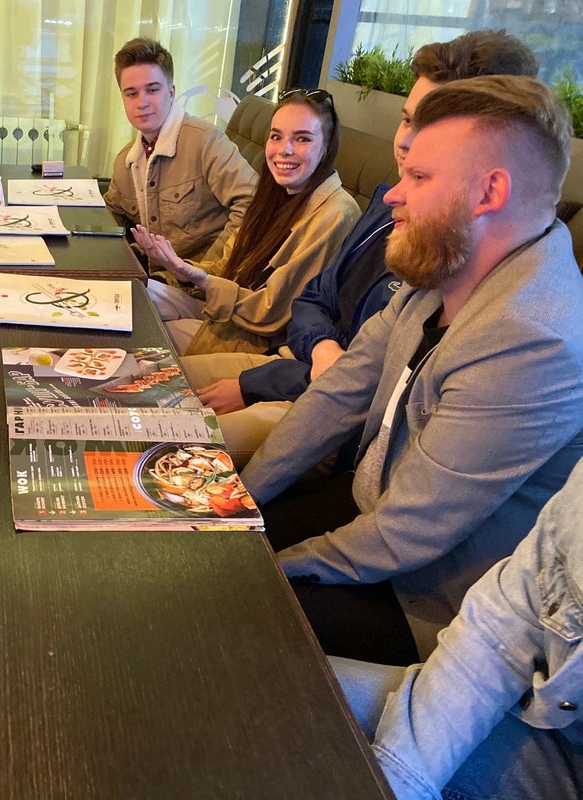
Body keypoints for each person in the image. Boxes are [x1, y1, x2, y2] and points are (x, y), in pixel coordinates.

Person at [240, 75, 583, 666]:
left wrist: (265, 571)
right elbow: (335, 398)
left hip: (434, 601)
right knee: (194, 544)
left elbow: (407, 534)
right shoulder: (446, 266)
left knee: (224, 605)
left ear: (488, 192)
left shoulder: (533, 340)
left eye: (419, 178)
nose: (393, 195)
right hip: (368, 509)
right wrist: (235, 504)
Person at [178, 30, 540, 467]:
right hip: (295, 366)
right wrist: (321, 347)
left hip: (318, 403)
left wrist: (258, 382)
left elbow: (369, 385)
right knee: (152, 381)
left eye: (431, 126)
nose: (406, 141)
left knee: (175, 436)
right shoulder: (384, 204)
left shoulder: (462, 255)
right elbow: (313, 301)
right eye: (407, 119)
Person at [331, 458, 583, 800]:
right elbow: (501, 626)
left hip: (428, 595)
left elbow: (409, 526)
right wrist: (397, 782)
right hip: (552, 728)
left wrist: (287, 564)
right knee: (282, 685)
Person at [134, 89, 360, 355]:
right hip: (221, 309)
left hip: (255, 337)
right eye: (276, 136)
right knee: (133, 296)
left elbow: (274, 311)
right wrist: (182, 269)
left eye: (302, 139)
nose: (284, 150)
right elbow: (224, 267)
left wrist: (204, 281)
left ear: (326, 147)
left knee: (144, 332)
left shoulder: (336, 214)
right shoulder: (275, 194)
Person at [103, 38, 257, 265]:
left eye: (152, 90)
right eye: (131, 93)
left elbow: (253, 204)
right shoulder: (127, 160)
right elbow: (112, 212)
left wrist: (207, 270)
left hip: (199, 280)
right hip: (152, 274)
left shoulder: (206, 141)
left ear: (171, 92)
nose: (142, 102)